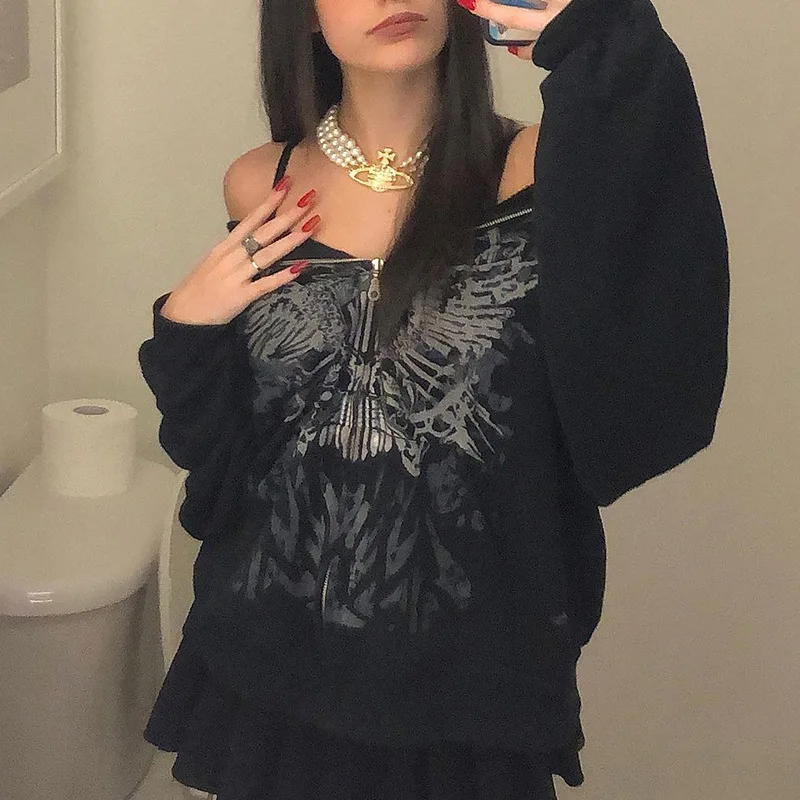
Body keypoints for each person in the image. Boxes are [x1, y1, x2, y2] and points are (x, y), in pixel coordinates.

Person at [137, 1, 729, 798]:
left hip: (469, 690)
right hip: (269, 667)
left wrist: (608, 43)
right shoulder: (260, 185)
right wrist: (186, 325)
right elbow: (224, 466)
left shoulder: (546, 167)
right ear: (304, 16)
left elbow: (654, 372)